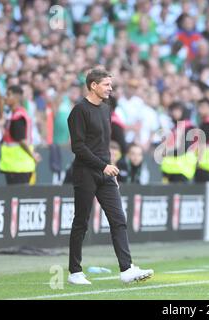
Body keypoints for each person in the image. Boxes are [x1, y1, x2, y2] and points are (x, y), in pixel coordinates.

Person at [67, 68, 153, 285]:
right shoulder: (79, 111)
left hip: (106, 173)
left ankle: (126, 269)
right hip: (86, 173)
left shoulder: (106, 110)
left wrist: (109, 167)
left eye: (110, 84)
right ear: (93, 85)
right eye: (106, 84)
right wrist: (103, 165)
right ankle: (75, 271)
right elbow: (78, 147)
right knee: (81, 222)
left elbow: (104, 145)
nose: (110, 88)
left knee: (118, 219)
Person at [0, 85, 40, 185]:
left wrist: (33, 155)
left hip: (19, 167)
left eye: (8, 95)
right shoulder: (16, 114)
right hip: (17, 166)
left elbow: (21, 140)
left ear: (17, 98)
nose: (6, 97)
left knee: (18, 198)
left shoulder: (18, 117)